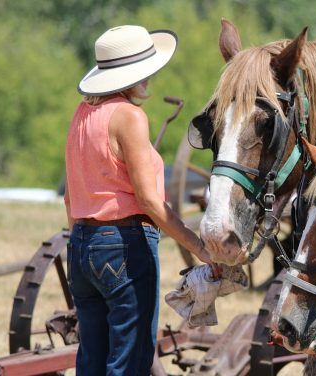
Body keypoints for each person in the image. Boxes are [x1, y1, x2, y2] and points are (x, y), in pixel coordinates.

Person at [64, 25, 213, 375]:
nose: (151, 77)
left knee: (91, 362)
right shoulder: (130, 117)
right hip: (124, 248)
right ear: (127, 76)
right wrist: (199, 247)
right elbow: (148, 200)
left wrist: (85, 243)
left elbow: (71, 197)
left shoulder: (81, 115)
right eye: (145, 71)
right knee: (129, 364)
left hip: (82, 246)